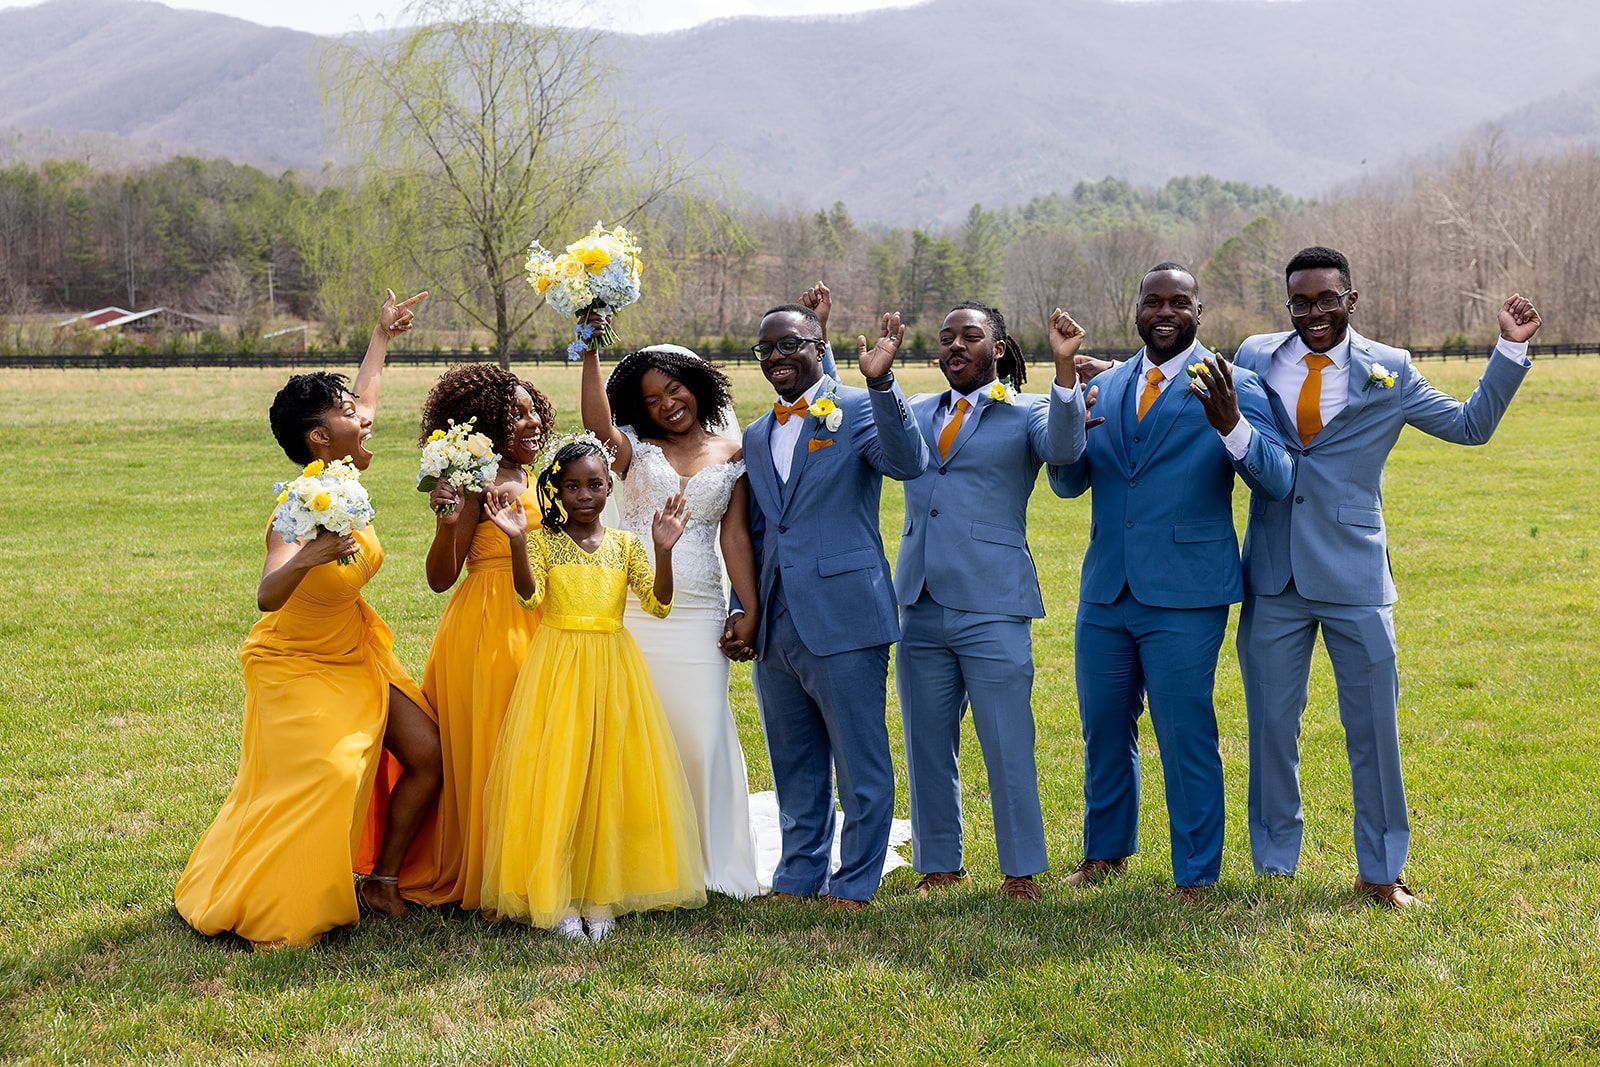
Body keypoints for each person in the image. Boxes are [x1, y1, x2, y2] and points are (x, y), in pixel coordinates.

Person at [1231, 246, 1541, 908]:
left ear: (1352, 298)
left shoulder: (1389, 370)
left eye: (1327, 300)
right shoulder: (1255, 356)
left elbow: (1470, 424)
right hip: (1273, 575)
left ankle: (1380, 871)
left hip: (1356, 576)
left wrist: (1508, 350)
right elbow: (1188, 386)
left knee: (1374, 729)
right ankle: (1274, 865)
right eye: (1301, 302)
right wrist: (1106, 370)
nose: (1314, 313)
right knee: (1271, 729)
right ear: (1288, 304)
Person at [175, 289, 442, 948]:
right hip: (298, 662)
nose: (365, 417)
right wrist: (314, 552)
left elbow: (370, 397)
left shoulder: (344, 468)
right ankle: (278, 895)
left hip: (357, 649)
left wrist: (381, 334)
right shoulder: (298, 504)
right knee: (325, 775)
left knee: (430, 754)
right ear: (319, 437)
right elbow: (268, 589)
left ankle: (380, 879)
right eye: (347, 414)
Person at [1048, 264, 1293, 898]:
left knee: (1184, 731)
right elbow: (1067, 482)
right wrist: (1070, 397)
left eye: (1178, 302)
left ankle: (1197, 872)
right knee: (1103, 726)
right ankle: (1106, 853)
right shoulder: (1105, 385)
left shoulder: (1235, 384)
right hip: (1107, 588)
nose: (1164, 312)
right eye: (1152, 301)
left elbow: (1278, 479)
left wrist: (1231, 425)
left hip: (1188, 591)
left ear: (1199, 311)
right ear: (1136, 309)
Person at [719, 303, 928, 909]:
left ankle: (856, 879)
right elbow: (755, 532)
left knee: (860, 757)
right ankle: (798, 873)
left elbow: (908, 462)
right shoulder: (757, 436)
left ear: (819, 344)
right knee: (793, 760)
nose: (778, 358)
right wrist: (746, 608)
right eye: (767, 350)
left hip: (845, 611)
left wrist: (883, 382)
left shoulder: (858, 410)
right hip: (777, 621)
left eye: (791, 345)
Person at [895, 301, 1087, 902]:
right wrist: (821, 339)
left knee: (1006, 738)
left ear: (998, 348)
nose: (955, 345)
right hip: (918, 599)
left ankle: (1021, 869)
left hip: (993, 600)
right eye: (946, 337)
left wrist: (1063, 373)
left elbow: (1062, 450)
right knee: (926, 739)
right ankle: (939, 864)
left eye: (970, 336)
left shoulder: (1027, 411)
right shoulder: (916, 413)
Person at [478, 436, 705, 941]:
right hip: (558, 668)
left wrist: (663, 551)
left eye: (595, 484)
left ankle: (600, 894)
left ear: (609, 488)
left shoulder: (625, 545)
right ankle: (558, 894)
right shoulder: (542, 542)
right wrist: (517, 542)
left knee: (607, 773)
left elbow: (659, 603)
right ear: (555, 489)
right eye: (572, 485)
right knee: (561, 774)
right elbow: (529, 597)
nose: (585, 495)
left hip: (613, 668)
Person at [578, 342, 763, 898]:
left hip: (700, 608)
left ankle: (709, 862)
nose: (667, 404)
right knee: (634, 736)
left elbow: (733, 536)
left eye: (675, 389)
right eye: (652, 398)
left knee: (700, 732)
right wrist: (589, 350)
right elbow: (595, 424)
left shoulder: (733, 452)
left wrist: (747, 608)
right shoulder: (632, 449)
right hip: (633, 607)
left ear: (697, 385)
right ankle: (641, 861)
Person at [385, 364, 555, 909]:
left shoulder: (538, 477)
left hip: (545, 617)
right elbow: (440, 579)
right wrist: (446, 521)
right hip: (489, 627)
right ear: (483, 424)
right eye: (516, 415)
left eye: (534, 411)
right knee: (496, 744)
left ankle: (533, 861)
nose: (531, 423)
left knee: (538, 745)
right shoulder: (476, 481)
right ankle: (489, 870)